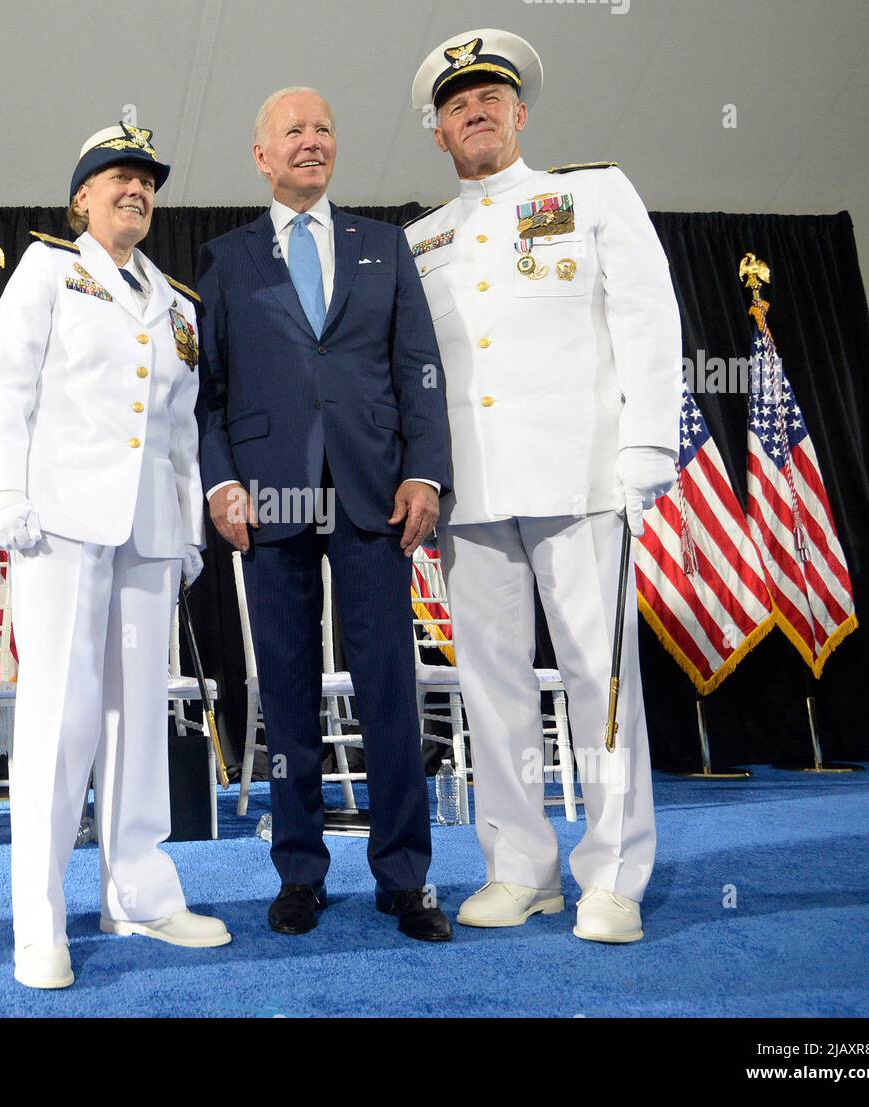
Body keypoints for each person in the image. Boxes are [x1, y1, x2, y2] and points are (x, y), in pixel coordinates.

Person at [406, 30, 683, 942]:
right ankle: (520, 867)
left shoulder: (593, 193)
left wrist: (646, 445)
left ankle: (611, 873)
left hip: (580, 477)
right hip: (473, 493)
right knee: (491, 688)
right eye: (456, 104)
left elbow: (646, 316)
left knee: (599, 679)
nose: (475, 110)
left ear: (521, 112)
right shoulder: (420, 239)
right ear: (438, 134)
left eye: (490, 96)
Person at [0, 122, 231, 990]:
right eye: (118, 177)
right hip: (60, 526)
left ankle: (140, 891)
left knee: (137, 715)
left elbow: (181, 432)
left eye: (147, 180)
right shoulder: (49, 269)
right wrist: (1, 494)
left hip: (150, 531)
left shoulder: (177, 301)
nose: (136, 190)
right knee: (58, 716)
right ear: (81, 195)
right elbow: (6, 387)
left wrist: (190, 525)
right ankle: (39, 921)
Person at [197, 88, 453, 942]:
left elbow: (419, 366)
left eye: (324, 130)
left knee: (389, 683)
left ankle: (405, 876)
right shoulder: (226, 259)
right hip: (270, 496)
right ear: (261, 156)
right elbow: (209, 396)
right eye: (292, 131)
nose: (312, 142)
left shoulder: (384, 246)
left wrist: (426, 472)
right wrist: (219, 482)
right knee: (290, 688)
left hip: (374, 488)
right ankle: (300, 870)